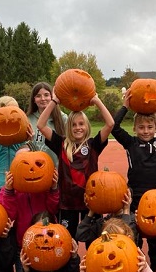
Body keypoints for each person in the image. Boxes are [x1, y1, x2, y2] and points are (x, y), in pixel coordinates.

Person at [111, 90, 156, 272]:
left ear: (155, 128)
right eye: (142, 127)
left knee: (155, 241)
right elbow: (114, 126)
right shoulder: (130, 143)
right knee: (133, 237)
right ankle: (132, 271)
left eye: (150, 127)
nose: (146, 131)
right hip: (134, 196)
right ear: (135, 129)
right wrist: (125, 107)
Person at [37, 93, 114, 237]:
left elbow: (110, 124)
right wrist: (54, 101)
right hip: (67, 204)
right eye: (73, 125)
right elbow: (41, 125)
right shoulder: (61, 144)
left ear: (87, 126)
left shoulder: (93, 145)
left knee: (95, 241)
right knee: (66, 241)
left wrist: (97, 101)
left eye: (81, 124)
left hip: (91, 203)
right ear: (68, 127)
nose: (78, 128)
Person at [0, 167, 60, 272]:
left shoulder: (44, 186)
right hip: (23, 246)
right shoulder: (8, 191)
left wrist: (54, 188)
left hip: (47, 241)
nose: (30, 169)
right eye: (23, 164)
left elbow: (53, 208)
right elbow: (10, 215)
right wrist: (9, 190)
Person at [74, 188, 136, 272]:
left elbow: (129, 240)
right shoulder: (102, 222)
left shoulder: (131, 219)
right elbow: (81, 234)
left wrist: (125, 211)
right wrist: (91, 210)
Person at [0, 96, 31, 194]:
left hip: (19, 182)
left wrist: (29, 142)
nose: (10, 117)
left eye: (15, 110)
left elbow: (30, 161)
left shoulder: (23, 136)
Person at [26, 82, 67, 168]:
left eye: (46, 95)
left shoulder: (63, 118)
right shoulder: (28, 119)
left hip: (58, 171)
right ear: (33, 100)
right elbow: (23, 148)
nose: (43, 98)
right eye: (38, 96)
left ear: (52, 97)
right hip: (34, 170)